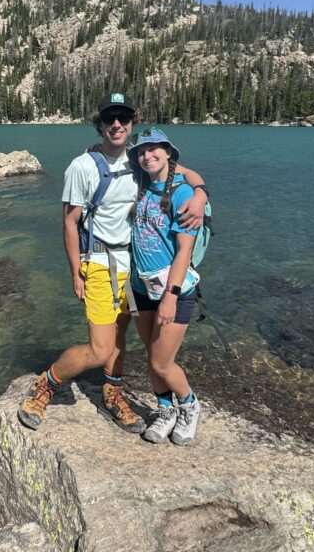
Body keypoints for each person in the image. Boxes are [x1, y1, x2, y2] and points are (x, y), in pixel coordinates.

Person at [18, 94, 208, 432]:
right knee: (99, 348)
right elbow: (69, 222)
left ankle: (113, 393)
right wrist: (75, 270)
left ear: (131, 122)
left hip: (133, 268)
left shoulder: (138, 161)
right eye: (109, 119)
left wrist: (200, 193)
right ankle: (45, 385)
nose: (116, 124)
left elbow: (178, 168)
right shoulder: (83, 166)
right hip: (100, 263)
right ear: (100, 124)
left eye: (123, 118)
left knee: (121, 338)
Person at [127, 128, 202, 445]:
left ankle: (189, 405)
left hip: (173, 291)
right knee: (151, 353)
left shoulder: (183, 194)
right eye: (142, 152)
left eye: (155, 149)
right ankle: (165, 408)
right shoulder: (141, 185)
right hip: (140, 288)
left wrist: (170, 297)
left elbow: (184, 251)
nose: (147, 156)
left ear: (169, 152)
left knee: (161, 361)